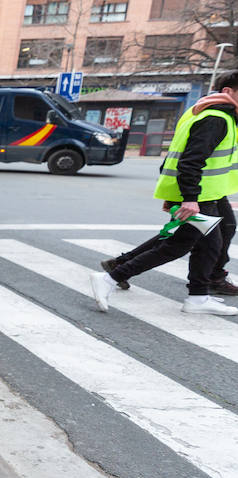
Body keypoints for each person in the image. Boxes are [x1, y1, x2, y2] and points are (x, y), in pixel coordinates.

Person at [90, 75, 238, 316]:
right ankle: (110, 277)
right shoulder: (215, 118)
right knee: (181, 245)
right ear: (229, 91)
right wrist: (189, 197)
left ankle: (198, 297)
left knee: (210, 242)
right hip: (198, 194)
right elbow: (190, 160)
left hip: (206, 192)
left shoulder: (212, 113)